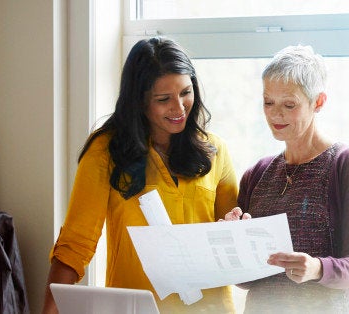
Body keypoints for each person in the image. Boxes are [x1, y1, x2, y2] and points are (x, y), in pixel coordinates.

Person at [42, 37, 239, 313]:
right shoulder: (105, 152)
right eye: (163, 99)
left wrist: (238, 228)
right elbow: (75, 246)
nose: (180, 107)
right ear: (139, 101)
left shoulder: (215, 150)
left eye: (185, 92)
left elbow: (231, 240)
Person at [225, 45, 349, 313]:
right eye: (268, 102)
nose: (275, 114)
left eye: (289, 104)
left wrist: (318, 268)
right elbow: (247, 280)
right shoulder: (257, 174)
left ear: (318, 102)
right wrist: (233, 243)